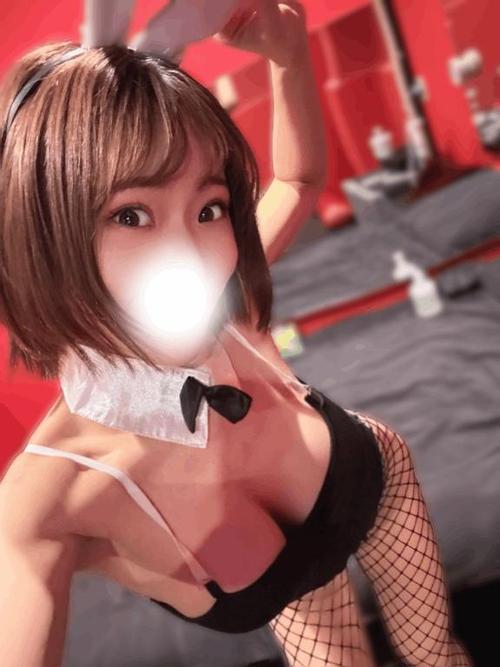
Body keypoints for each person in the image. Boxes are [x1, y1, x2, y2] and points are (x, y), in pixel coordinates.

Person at [0, 1, 472, 666]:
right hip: (298, 591)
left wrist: (290, 53)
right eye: (131, 215)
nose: (192, 257)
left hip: (379, 484)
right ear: (46, 236)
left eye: (210, 208)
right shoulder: (50, 498)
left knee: (437, 657)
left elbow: (298, 180)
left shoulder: (229, 303)